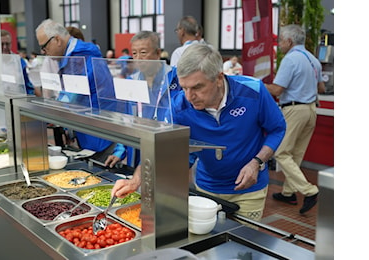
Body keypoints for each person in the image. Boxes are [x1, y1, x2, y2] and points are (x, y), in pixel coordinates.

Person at [112, 43, 286, 222]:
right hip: (206, 187)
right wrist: (136, 180)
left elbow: (277, 128)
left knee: (244, 246)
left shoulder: (254, 91)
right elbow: (161, 147)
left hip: (249, 190)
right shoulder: (179, 106)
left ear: (219, 78)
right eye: (184, 88)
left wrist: (257, 162)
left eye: (196, 87)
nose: (189, 96)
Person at [35, 19, 123, 163]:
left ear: (57, 40)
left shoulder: (81, 56)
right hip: (88, 127)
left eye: (44, 47)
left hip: (99, 131)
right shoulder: (72, 56)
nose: (43, 52)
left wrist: (49, 110)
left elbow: (71, 95)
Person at [265, 24, 325, 214]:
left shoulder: (290, 59)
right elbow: (322, 88)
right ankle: (288, 193)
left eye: (280, 40)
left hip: (294, 110)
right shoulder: (313, 59)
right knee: (296, 154)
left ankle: (310, 191)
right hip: (311, 110)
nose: (279, 44)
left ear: (289, 41)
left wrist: (255, 83)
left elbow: (277, 90)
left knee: (281, 152)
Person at [105, 30, 181, 168]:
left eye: (143, 52)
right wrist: (119, 151)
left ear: (158, 53)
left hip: (166, 148)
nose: (138, 58)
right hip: (138, 148)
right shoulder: (132, 81)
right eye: (134, 53)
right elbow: (126, 119)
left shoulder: (175, 79)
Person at [1, 29, 34, 95]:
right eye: (2, 44)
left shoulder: (19, 61)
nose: (5, 47)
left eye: (7, 44)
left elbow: (27, 85)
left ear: (11, 44)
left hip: (17, 100)